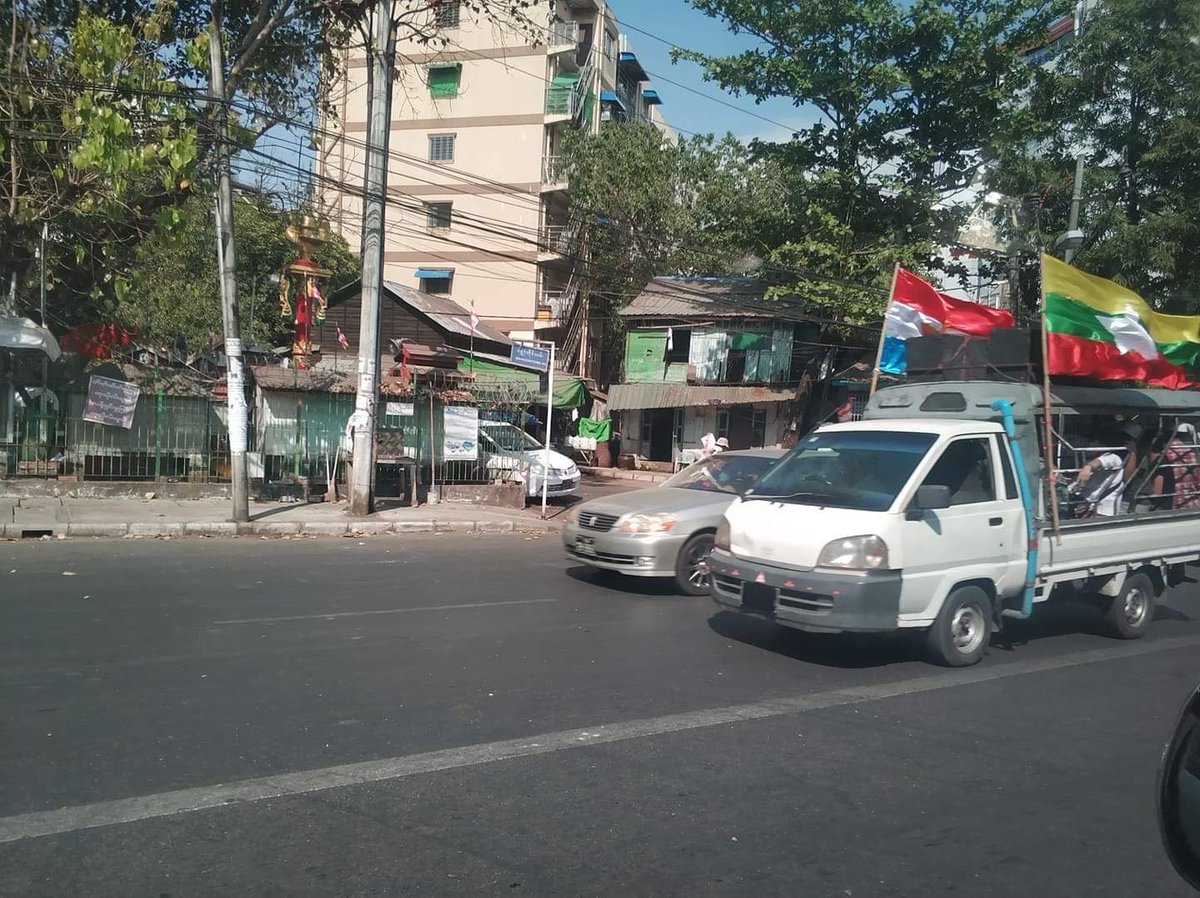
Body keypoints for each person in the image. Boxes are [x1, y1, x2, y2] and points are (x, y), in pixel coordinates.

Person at [1071, 424, 1142, 517]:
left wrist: (1087, 468)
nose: (1091, 445)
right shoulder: (1093, 458)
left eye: (1094, 442)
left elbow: (1099, 462)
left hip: (1101, 511)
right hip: (1087, 506)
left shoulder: (1113, 458)